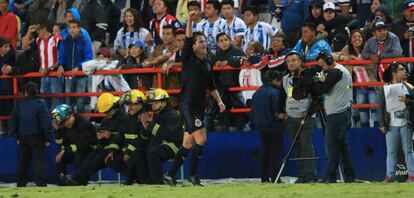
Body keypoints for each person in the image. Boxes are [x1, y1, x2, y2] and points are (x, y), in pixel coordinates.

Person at [164, 10, 225, 186]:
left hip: (199, 106)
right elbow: (188, 37)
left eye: (205, 41)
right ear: (193, 46)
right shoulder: (188, 58)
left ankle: (170, 175)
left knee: (188, 144)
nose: (204, 44)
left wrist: (219, 101)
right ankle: (193, 175)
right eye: (201, 42)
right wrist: (189, 20)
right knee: (202, 140)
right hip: (188, 104)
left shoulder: (207, 63)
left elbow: (211, 86)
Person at [60, 92, 127, 186]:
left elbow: (123, 138)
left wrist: (110, 136)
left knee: (95, 160)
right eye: (104, 112)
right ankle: (78, 180)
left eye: (107, 112)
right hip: (106, 148)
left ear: (114, 108)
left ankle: (75, 179)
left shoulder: (124, 118)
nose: (105, 114)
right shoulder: (106, 120)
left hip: (117, 150)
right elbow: (103, 138)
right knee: (89, 158)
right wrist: (100, 138)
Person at [314, 51, 355, 183]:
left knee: (332, 146)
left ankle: (330, 176)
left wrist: (315, 79)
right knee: (342, 146)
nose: (322, 69)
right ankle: (349, 176)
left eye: (323, 66)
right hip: (342, 113)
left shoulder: (335, 72)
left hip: (337, 114)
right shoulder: (340, 70)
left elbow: (322, 89)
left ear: (330, 62)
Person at [9, 82, 53, 187]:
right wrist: (48, 138)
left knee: (23, 160)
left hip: (22, 135)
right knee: (38, 161)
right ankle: (41, 183)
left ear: (25, 92)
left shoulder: (18, 103)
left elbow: (13, 120)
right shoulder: (41, 103)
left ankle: (21, 183)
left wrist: (16, 135)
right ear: (37, 91)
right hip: (37, 136)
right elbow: (45, 121)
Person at [282, 51, 317, 183]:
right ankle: (302, 175)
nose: (291, 63)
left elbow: (316, 96)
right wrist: (279, 112)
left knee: (306, 145)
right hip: (290, 117)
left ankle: (310, 175)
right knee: (296, 146)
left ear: (300, 62)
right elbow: (282, 96)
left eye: (294, 60)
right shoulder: (285, 79)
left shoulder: (308, 76)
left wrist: (309, 111)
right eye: (288, 61)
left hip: (305, 116)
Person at [379, 62, 414, 182]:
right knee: (391, 151)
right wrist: (382, 123)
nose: (405, 71)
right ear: (394, 73)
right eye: (401, 69)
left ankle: (412, 175)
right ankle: (390, 176)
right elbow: (381, 107)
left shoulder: (409, 87)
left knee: (408, 151)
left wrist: (409, 100)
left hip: (406, 122)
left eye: (404, 69)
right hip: (391, 124)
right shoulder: (384, 88)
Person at [108, 89, 151, 184]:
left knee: (134, 156)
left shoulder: (145, 118)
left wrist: (128, 152)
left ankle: (143, 180)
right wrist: (112, 150)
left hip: (142, 150)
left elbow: (141, 139)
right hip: (129, 149)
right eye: (128, 104)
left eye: (133, 104)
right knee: (110, 160)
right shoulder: (127, 118)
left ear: (141, 105)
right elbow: (119, 135)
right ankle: (134, 177)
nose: (130, 107)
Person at [250, 69, 286, 183]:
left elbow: (252, 112)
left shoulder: (256, 93)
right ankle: (275, 178)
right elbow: (278, 113)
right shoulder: (275, 93)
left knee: (265, 152)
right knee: (275, 153)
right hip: (275, 126)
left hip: (261, 127)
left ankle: (264, 178)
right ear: (275, 80)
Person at [141, 88, 183, 184]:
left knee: (153, 153)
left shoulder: (172, 115)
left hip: (173, 145)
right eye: (152, 103)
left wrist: (150, 125)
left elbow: (167, 134)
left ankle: (159, 183)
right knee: (140, 152)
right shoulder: (158, 114)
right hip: (161, 143)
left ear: (164, 102)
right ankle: (145, 181)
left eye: (156, 103)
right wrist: (145, 126)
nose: (153, 106)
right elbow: (152, 133)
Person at [22, 21, 63, 110]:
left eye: (38, 30)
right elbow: (25, 47)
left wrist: (50, 68)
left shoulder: (57, 39)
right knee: (44, 103)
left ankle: (56, 123)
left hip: (55, 75)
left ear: (44, 29)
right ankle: (46, 123)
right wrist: (28, 32)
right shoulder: (38, 40)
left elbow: (62, 57)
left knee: (56, 103)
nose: (37, 32)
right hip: (44, 76)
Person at [52, 104, 96, 185]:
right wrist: (57, 131)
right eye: (62, 123)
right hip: (76, 149)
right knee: (58, 156)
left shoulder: (84, 124)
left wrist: (64, 151)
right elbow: (61, 143)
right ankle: (61, 182)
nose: (65, 124)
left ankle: (80, 182)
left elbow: (82, 145)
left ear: (71, 115)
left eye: (66, 121)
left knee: (78, 156)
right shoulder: (65, 126)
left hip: (90, 150)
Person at [58, 19, 93, 113]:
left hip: (81, 75)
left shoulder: (85, 41)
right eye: (70, 27)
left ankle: (80, 121)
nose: (72, 30)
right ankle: (67, 121)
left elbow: (89, 57)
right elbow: (61, 55)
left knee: (80, 100)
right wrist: (60, 65)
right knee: (68, 99)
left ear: (79, 28)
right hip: (68, 74)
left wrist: (79, 66)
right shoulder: (65, 42)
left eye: (74, 27)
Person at [361, 17, 403, 81]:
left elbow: (397, 53)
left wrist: (379, 56)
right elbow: (363, 53)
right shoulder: (371, 41)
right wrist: (371, 56)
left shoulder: (393, 38)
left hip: (395, 72)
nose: (383, 32)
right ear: (374, 33)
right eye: (379, 31)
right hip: (378, 73)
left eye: (384, 30)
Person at [0, 37, 14, 133]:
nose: (7, 49)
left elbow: (16, 66)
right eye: (5, 47)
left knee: (9, 112)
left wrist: (10, 69)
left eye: (8, 46)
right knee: (2, 112)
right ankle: (4, 131)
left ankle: (9, 132)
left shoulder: (11, 55)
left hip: (8, 90)